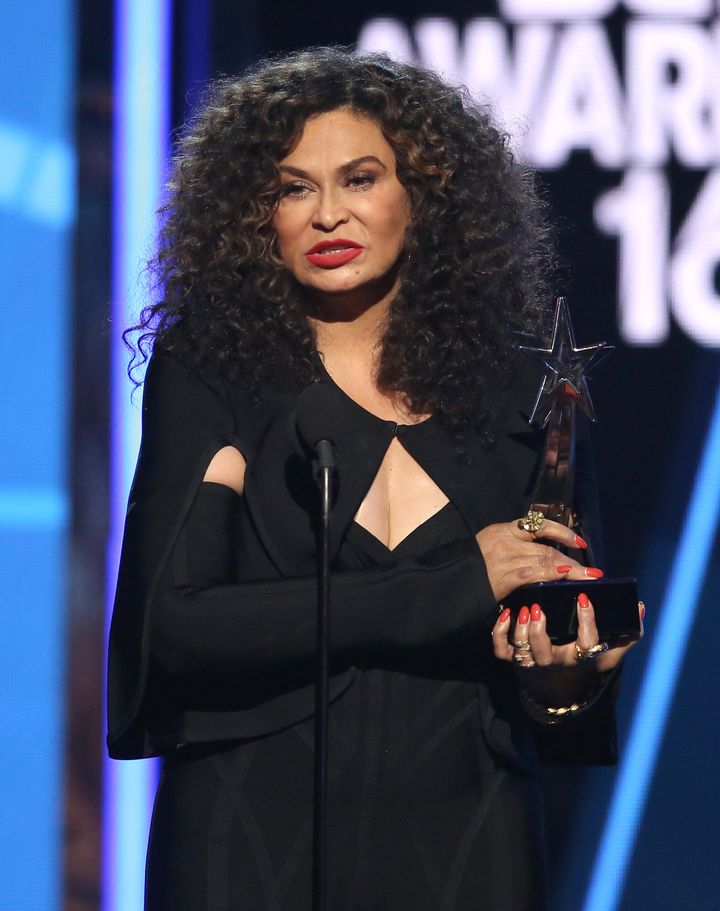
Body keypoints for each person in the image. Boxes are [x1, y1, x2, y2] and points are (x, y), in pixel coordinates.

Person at [107, 47, 642, 911]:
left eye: (359, 179)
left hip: (469, 838)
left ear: (422, 200)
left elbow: (555, 670)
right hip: (249, 840)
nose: (328, 215)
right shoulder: (215, 374)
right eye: (293, 188)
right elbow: (173, 627)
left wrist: (567, 677)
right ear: (255, 214)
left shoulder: (523, 389)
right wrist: (462, 582)